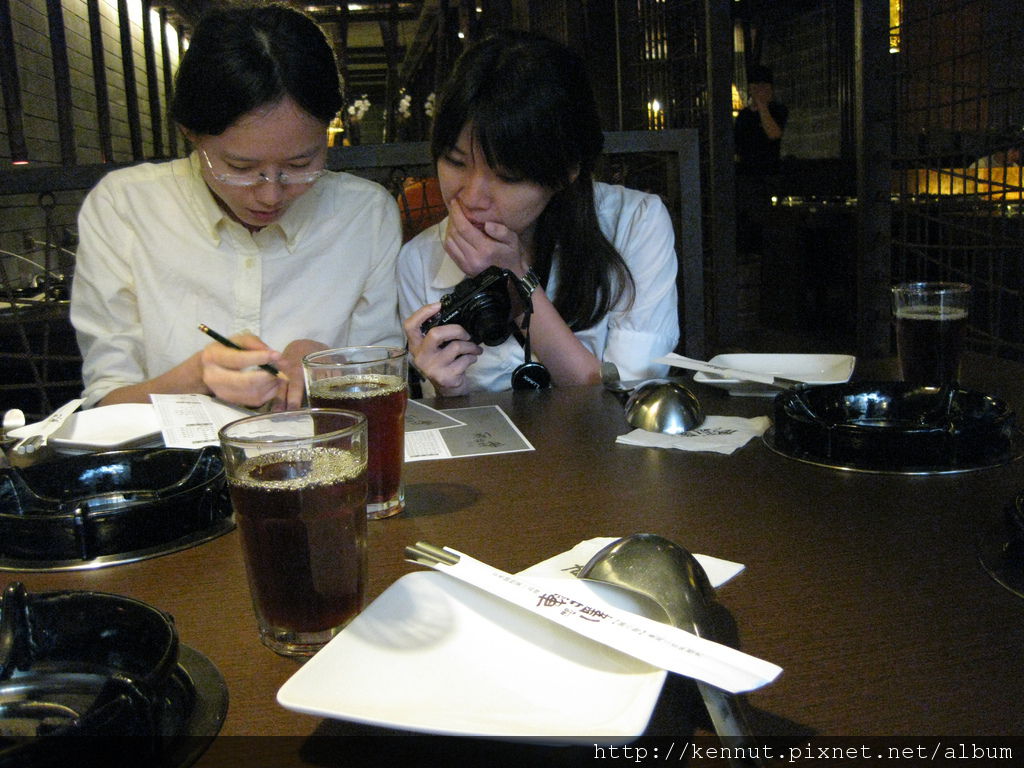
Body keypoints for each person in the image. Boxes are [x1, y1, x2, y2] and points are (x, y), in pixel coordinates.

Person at [71, 3, 403, 410]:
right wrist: (195, 378)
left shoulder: (365, 215)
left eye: (300, 165)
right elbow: (106, 402)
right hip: (175, 454)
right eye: (240, 168)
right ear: (190, 133)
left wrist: (336, 366)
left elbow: (387, 380)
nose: (270, 194)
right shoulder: (126, 207)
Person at [398, 30, 679, 396]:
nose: (472, 196)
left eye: (507, 176)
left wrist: (516, 281)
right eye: (455, 161)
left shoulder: (635, 223)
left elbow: (629, 398)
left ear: (566, 171)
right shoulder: (419, 260)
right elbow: (453, 421)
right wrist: (445, 389)